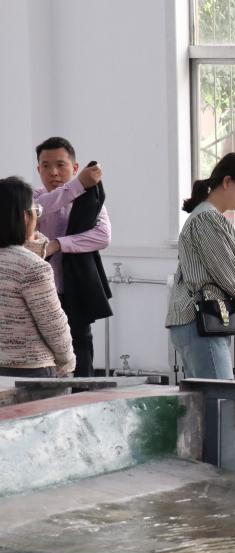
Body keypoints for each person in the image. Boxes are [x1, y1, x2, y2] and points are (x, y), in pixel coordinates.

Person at [165, 152, 235, 380]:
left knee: (204, 396)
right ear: (227, 181)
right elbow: (230, 274)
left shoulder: (206, 217)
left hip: (201, 322)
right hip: (201, 322)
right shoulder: (207, 219)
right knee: (220, 396)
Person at [33, 136, 112, 377]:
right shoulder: (34, 199)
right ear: (38, 169)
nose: (53, 172)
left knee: (81, 347)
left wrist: (59, 244)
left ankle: (83, 393)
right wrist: (78, 185)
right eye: (46, 166)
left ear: (75, 167)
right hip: (41, 290)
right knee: (42, 352)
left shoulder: (88, 201)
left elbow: (102, 236)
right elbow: (40, 210)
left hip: (75, 288)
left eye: (60, 165)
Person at [0, 177, 75, 378]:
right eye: (36, 210)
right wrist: (67, 361)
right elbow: (52, 324)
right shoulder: (32, 267)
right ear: (25, 217)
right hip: (31, 371)